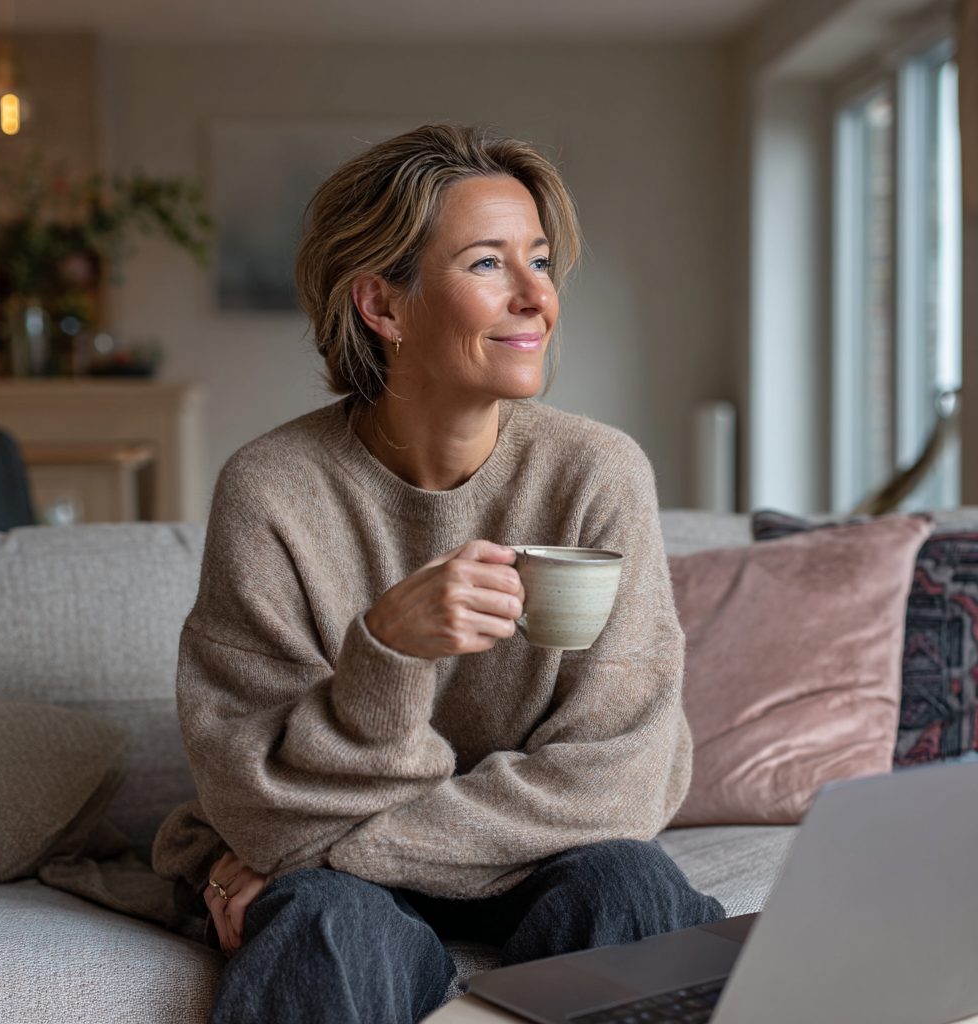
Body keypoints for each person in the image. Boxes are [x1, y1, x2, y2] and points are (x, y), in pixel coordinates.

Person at [152, 123, 724, 1024]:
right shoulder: (271, 491)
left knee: (631, 886)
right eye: (490, 265)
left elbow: (619, 781)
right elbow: (250, 786)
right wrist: (385, 650)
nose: (540, 296)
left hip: (519, 857)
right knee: (323, 929)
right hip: (366, 892)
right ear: (383, 305)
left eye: (540, 261)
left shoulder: (597, 474)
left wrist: (328, 847)